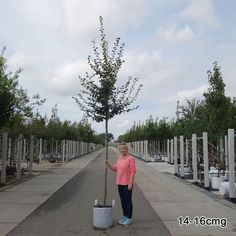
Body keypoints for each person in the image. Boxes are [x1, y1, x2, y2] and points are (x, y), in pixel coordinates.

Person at [106, 142, 136, 226]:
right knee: (123, 201)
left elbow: (133, 172)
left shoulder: (131, 159)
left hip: (127, 183)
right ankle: (125, 216)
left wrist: (130, 183)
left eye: (123, 149)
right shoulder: (120, 158)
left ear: (127, 149)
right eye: (120, 149)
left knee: (128, 201)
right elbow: (115, 168)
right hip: (119, 183)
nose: (122, 150)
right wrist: (108, 164)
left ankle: (129, 218)